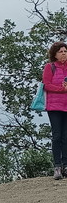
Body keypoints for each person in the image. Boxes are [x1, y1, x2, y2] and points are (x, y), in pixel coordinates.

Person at [43, 41, 67, 180]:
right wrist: (62, 89)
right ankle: (57, 166)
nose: (64, 53)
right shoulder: (50, 67)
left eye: (65, 51)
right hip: (54, 106)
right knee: (57, 136)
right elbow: (46, 85)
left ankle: (66, 165)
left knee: (66, 137)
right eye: (61, 51)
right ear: (55, 54)